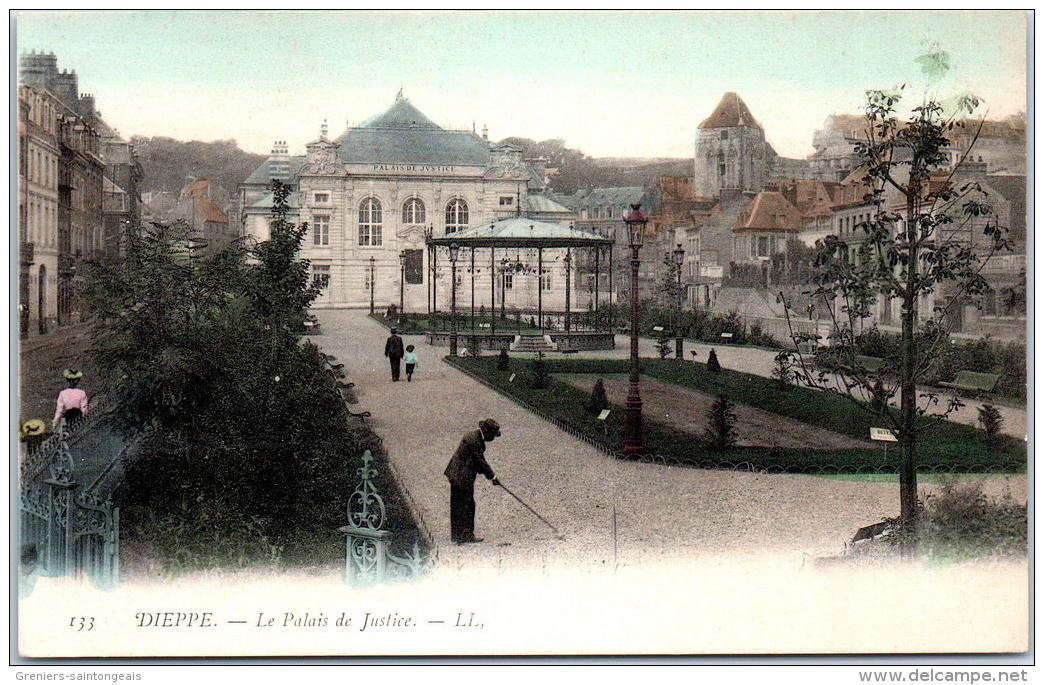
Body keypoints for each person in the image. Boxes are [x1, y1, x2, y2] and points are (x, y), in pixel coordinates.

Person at [444, 419, 501, 544]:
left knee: (463, 504)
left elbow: (478, 462)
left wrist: (491, 476)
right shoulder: (475, 440)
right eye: (492, 435)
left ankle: (461, 535)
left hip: (460, 474)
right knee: (464, 505)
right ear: (487, 432)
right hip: (461, 476)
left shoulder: (475, 436)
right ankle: (463, 536)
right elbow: (480, 461)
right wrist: (493, 477)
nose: (492, 439)